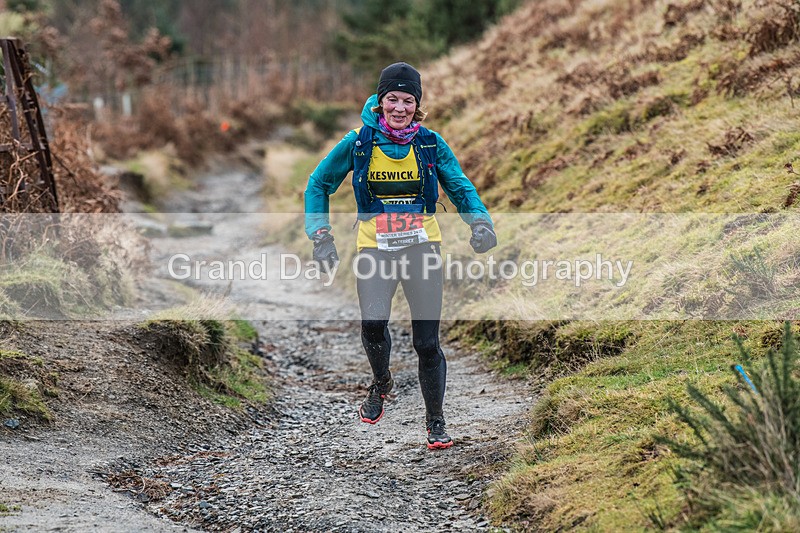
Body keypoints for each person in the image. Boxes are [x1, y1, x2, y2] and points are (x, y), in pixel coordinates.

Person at [304, 61, 496, 449]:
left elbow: (459, 186)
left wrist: (480, 223)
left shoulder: (430, 143)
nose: (399, 107)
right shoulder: (359, 142)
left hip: (422, 245)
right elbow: (318, 183)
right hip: (375, 246)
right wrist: (320, 235)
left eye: (408, 100)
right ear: (380, 101)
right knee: (373, 324)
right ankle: (381, 382)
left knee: (427, 342)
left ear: (417, 105)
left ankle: (436, 422)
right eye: (392, 98)